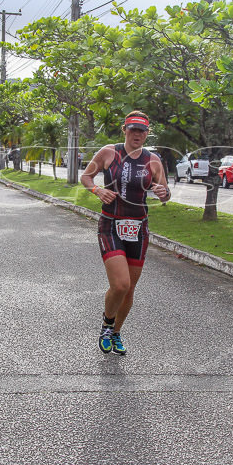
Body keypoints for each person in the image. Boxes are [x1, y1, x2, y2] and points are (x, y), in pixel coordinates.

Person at [80, 111, 170, 355]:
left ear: (147, 133)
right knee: (120, 284)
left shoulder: (153, 160)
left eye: (142, 131)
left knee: (130, 288)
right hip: (111, 224)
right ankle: (107, 324)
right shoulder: (110, 152)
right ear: (124, 130)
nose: (137, 134)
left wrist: (164, 194)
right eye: (133, 129)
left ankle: (116, 332)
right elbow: (86, 176)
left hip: (139, 228)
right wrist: (97, 190)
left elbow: (164, 190)